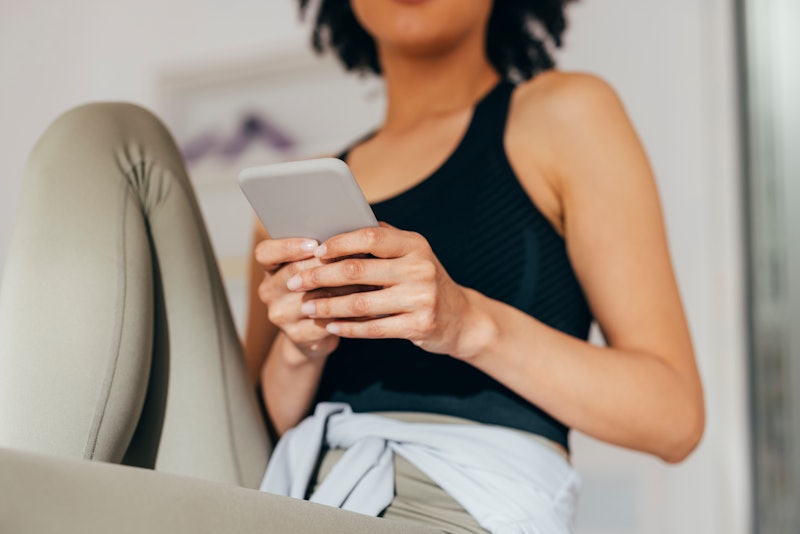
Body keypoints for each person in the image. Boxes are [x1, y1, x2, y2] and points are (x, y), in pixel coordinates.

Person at [0, 1, 704, 533]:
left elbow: (674, 417)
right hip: (284, 483)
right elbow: (249, 426)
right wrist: (299, 353)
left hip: (447, 501)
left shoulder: (563, 114)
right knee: (110, 137)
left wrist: (468, 323)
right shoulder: (297, 193)